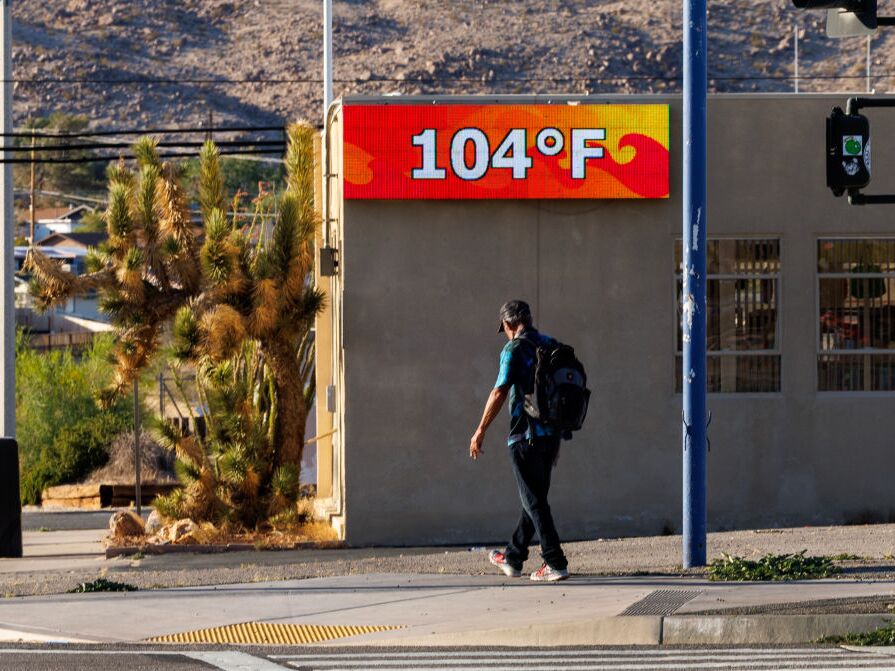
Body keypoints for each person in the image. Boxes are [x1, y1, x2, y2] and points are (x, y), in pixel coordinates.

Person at [469, 300, 569, 582]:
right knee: (534, 499)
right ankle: (513, 557)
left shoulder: (513, 348)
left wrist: (480, 430)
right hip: (551, 436)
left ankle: (555, 562)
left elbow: (499, 391)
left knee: (534, 501)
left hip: (524, 436)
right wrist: (557, 437)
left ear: (508, 324)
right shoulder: (551, 344)